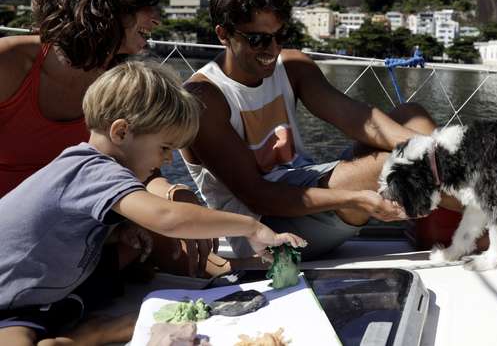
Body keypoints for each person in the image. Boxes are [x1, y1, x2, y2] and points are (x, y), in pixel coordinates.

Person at [182, 0, 497, 260]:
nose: (270, 50)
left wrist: (440, 150)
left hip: (308, 190)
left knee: (414, 119)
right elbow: (259, 197)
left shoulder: (290, 66)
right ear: (223, 34)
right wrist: (354, 194)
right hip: (274, 227)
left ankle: (471, 218)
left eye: (279, 36)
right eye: (257, 39)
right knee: (397, 162)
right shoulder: (206, 98)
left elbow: (359, 118)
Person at [0, 61, 306, 346]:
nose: (168, 159)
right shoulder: (92, 170)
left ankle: (86, 331)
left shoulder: (87, 167)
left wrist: (117, 235)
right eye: (164, 147)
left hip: (43, 290)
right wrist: (250, 227)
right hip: (9, 300)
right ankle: (92, 333)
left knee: (130, 254)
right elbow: (167, 217)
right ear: (121, 132)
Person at [0, 0, 218, 276]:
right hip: (13, 238)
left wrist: (175, 192)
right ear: (104, 7)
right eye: (146, 7)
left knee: (180, 245)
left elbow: (138, 164)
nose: (156, 19)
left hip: (80, 226)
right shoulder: (10, 64)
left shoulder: (120, 80)